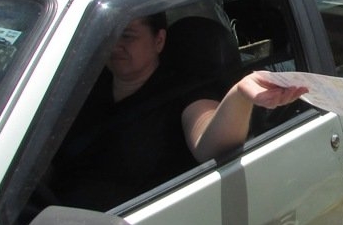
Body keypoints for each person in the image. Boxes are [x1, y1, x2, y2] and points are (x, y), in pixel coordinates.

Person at [51, 13, 306, 211]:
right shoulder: (84, 84)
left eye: (127, 36)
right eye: (110, 36)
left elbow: (209, 142)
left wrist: (239, 95)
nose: (116, 45)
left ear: (159, 40)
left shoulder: (185, 93)